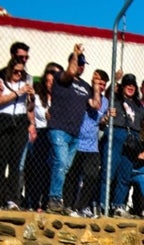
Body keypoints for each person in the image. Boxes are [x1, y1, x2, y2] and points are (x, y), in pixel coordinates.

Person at [46, 44, 101, 213]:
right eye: (79, 63)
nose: (81, 67)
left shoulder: (85, 86)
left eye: (83, 64)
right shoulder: (61, 77)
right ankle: (54, 199)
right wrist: (76, 55)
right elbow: (70, 72)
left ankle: (60, 200)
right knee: (61, 164)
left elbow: (95, 104)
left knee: (66, 167)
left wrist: (96, 87)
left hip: (74, 134)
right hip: (59, 129)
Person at [99, 72, 144, 217]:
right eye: (127, 85)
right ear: (122, 87)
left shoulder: (137, 104)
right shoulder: (115, 99)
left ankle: (118, 206)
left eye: (132, 85)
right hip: (116, 134)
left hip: (132, 139)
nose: (130, 87)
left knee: (125, 174)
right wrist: (115, 79)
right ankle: (103, 204)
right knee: (109, 172)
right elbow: (109, 92)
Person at [63, 69, 110, 218]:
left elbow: (100, 120)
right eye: (99, 83)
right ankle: (69, 205)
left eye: (103, 84)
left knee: (92, 176)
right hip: (77, 141)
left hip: (92, 145)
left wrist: (106, 118)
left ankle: (82, 206)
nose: (101, 86)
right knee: (72, 175)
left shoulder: (106, 101)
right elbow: (92, 106)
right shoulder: (84, 94)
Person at [0, 57, 35, 210]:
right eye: (15, 71)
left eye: (21, 72)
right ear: (10, 69)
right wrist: (18, 92)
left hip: (20, 121)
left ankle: (12, 198)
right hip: (4, 119)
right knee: (1, 161)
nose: (18, 74)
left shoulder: (26, 81)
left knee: (15, 163)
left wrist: (31, 97)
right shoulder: (1, 81)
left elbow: (29, 108)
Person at [24, 62, 62, 211]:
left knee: (50, 170)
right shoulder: (38, 96)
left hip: (55, 136)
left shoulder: (61, 99)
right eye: (47, 81)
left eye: (53, 81)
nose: (49, 84)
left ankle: (47, 201)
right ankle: (34, 202)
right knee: (37, 170)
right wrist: (32, 124)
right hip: (40, 134)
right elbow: (30, 109)